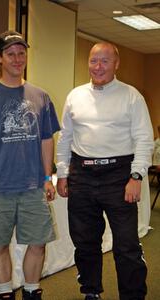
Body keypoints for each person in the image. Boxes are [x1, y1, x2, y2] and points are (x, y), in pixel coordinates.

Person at [0, 30, 60, 300]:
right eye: (10, 54)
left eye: (21, 53)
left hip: (32, 187)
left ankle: (31, 291)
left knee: (38, 243)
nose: (17, 59)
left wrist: (46, 177)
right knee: (0, 245)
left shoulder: (40, 96)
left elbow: (45, 140)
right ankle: (6, 293)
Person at [56, 42, 154, 300]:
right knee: (85, 242)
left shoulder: (131, 96)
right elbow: (65, 137)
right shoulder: (75, 96)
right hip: (82, 175)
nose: (98, 67)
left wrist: (136, 176)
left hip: (119, 177)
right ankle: (91, 291)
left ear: (116, 64)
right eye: (93, 61)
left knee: (127, 245)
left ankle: (132, 296)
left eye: (104, 61)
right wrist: (63, 172)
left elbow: (144, 139)